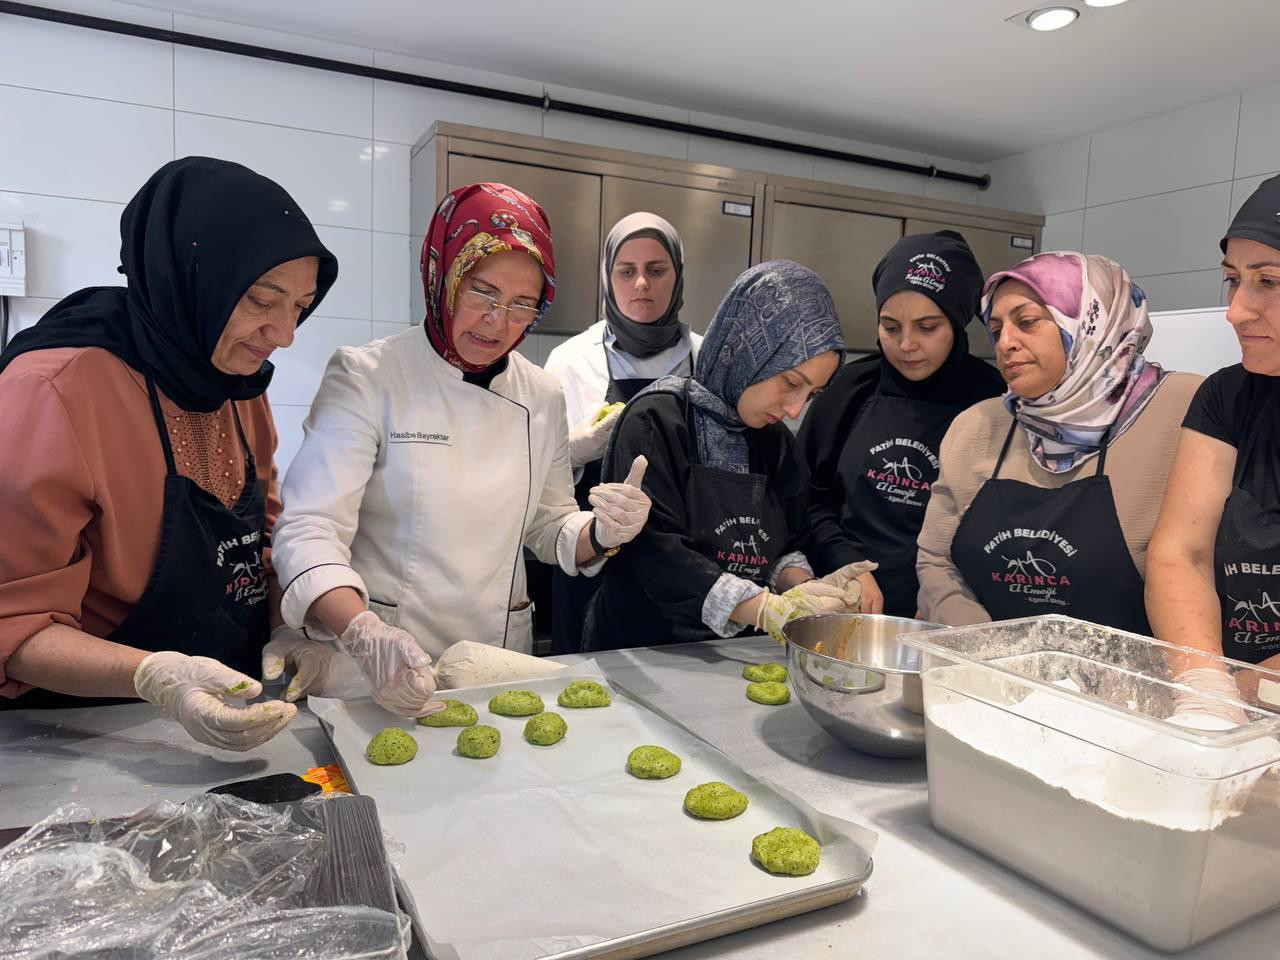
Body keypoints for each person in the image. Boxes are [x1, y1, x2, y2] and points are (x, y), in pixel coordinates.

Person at [269, 183, 652, 716]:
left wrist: (602, 533)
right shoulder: (369, 376)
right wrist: (363, 632)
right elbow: (309, 529)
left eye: (522, 304)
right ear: (442, 275)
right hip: (375, 669)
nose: (498, 321)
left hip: (495, 666)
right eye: (482, 293)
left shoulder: (541, 394)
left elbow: (549, 525)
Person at [0, 157, 337, 751]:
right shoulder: (52, 392)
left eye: (300, 307)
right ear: (190, 278)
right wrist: (155, 677)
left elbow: (261, 541)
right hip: (82, 734)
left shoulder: (235, 383)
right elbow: (12, 623)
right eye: (262, 300)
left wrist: (289, 628)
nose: (285, 335)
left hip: (233, 713)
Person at [582, 260, 871, 652]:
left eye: (812, 394)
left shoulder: (777, 444)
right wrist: (765, 609)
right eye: (790, 382)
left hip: (733, 655)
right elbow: (655, 554)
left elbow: (783, 545)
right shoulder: (656, 420)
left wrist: (803, 590)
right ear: (748, 351)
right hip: (641, 651)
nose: (794, 409)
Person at [916, 251, 1201, 633]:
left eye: (1027, 322)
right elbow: (937, 560)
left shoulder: (1186, 411)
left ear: (1091, 323)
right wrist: (985, 646)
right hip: (989, 665)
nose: (1005, 343)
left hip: (1136, 669)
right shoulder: (976, 427)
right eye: (997, 329)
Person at [798, 231, 1004, 617]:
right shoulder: (848, 390)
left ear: (957, 321)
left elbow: (1000, 526)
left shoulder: (995, 401)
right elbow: (805, 497)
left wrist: (945, 593)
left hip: (954, 613)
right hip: (845, 606)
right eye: (891, 327)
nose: (907, 344)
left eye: (927, 327)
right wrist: (845, 563)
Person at [544, 213, 702, 653]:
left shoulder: (705, 358)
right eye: (626, 271)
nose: (641, 284)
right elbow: (534, 479)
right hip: (591, 558)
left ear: (678, 275)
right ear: (607, 277)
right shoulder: (570, 360)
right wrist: (574, 452)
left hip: (680, 566)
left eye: (657, 270)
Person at [1147, 174, 1280, 670]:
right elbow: (1182, 553)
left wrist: (1253, 690)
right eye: (1233, 280)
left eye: (1268, 281)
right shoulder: (1226, 397)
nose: (1236, 311)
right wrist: (1205, 686)